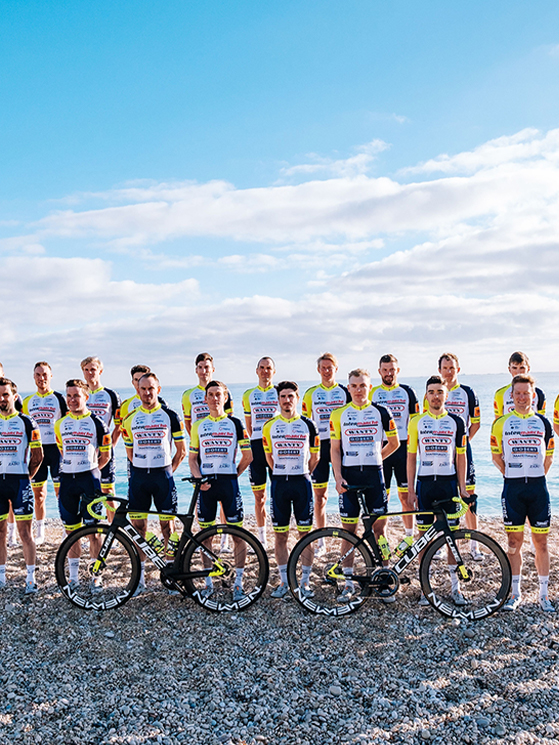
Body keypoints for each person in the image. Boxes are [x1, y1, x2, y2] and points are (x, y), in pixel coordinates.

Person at [330, 368, 399, 602]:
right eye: (354, 386)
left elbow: (395, 443)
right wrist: (338, 477)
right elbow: (335, 449)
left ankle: (385, 577)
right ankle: (348, 583)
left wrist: (377, 458)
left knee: (380, 530)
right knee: (348, 532)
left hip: (374, 477)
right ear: (348, 388)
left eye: (363, 385)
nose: (359, 390)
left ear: (370, 387)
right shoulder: (338, 414)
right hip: (349, 477)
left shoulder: (382, 412)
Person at [491, 374, 555, 612]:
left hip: (538, 488)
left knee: (541, 543)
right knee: (513, 542)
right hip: (513, 488)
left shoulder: (543, 423)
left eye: (525, 393)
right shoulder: (501, 423)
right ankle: (515, 594)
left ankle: (544, 595)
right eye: (517, 393)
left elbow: (549, 456)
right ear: (511, 395)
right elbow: (496, 456)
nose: (521, 397)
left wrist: (537, 475)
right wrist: (510, 474)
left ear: (533, 395)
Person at [407, 375, 469, 606]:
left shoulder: (457, 422)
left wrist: (463, 488)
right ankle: (426, 589)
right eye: (431, 392)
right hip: (425, 484)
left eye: (440, 392)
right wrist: (410, 489)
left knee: (452, 536)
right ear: (426, 395)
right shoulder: (416, 422)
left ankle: (455, 588)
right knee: (424, 537)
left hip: (448, 483)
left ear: (446, 395)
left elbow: (461, 457)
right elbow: (411, 457)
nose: (435, 396)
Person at [122, 372, 186, 593]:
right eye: (143, 389)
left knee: (168, 528)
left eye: (151, 388)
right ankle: (140, 578)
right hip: (139, 478)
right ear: (138, 390)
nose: (147, 393)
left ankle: (170, 575)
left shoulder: (171, 416)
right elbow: (130, 453)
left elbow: (181, 451)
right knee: (139, 528)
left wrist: (167, 472)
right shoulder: (129, 418)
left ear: (158, 390)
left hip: (163, 477)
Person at [188, 380, 252, 601]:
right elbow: (192, 459)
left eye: (219, 394)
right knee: (205, 536)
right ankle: (208, 583)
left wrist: (234, 475)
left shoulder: (235, 423)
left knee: (237, 534)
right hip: (205, 484)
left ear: (225, 398)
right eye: (211, 394)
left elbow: (248, 456)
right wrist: (199, 480)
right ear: (205, 399)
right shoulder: (198, 425)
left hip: (228, 483)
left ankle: (238, 583)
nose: (215, 398)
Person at [263, 381, 319, 598]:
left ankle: (304, 582)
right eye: (283, 397)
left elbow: (315, 457)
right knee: (280, 536)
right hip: (279, 483)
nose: (287, 400)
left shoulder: (309, 425)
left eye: (291, 396)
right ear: (278, 400)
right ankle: (284, 582)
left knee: (305, 534)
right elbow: (269, 457)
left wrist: (303, 472)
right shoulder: (269, 426)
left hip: (302, 482)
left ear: (297, 398)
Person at [55, 379, 112, 589]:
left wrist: (92, 469)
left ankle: (96, 576)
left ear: (86, 397)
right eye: (69, 396)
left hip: (90, 479)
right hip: (67, 480)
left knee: (94, 531)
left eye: (76, 396)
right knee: (71, 531)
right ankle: (73, 577)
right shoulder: (60, 424)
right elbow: (62, 450)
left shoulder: (98, 423)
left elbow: (106, 455)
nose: (72, 400)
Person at [437, 352, 482, 560]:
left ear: (458, 370)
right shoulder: (434, 392)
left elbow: (476, 423)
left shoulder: (468, 392)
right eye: (445, 368)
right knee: (442, 496)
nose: (448, 372)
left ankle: (474, 545)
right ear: (439, 370)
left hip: (463, 450)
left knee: (469, 495)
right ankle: (439, 544)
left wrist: (462, 446)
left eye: (452, 368)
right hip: (440, 451)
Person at [0, 377, 43, 593]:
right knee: (0, 532)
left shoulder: (27, 422)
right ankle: (1, 576)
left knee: (25, 532)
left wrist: (27, 476)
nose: (1, 399)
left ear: (14, 396)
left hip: (19, 481)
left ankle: (31, 578)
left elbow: (38, 455)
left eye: (5, 394)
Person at [302, 353, 350, 543]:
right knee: (320, 496)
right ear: (318, 369)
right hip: (320, 446)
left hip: (341, 446)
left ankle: (348, 535)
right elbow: (305, 422)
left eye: (330, 367)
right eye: (323, 367)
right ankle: (321, 539)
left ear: (336, 369)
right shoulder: (310, 393)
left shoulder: (345, 392)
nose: (327, 371)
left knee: (346, 490)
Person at [370, 354, 418, 540]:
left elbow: (415, 423)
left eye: (392, 369)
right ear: (379, 371)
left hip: (403, 448)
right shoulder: (373, 393)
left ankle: (409, 535)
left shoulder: (408, 392)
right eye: (385, 370)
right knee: (384, 497)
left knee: (405, 497)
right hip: (382, 447)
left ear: (397, 370)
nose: (388, 373)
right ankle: (381, 536)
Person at [21, 361, 67, 545]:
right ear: (33, 377)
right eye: (38, 375)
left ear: (51, 376)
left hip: (56, 450)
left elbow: (67, 424)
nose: (42, 378)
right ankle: (40, 531)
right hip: (37, 450)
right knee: (38, 495)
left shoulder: (60, 399)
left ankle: (66, 529)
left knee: (60, 493)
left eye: (45, 374)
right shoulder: (27, 402)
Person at [242, 357, 280, 550]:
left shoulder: (279, 392)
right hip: (257, 445)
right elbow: (249, 426)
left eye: (269, 368)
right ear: (257, 371)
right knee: (259, 497)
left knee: (277, 494)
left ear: (274, 371)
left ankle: (279, 534)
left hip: (277, 446)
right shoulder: (249, 395)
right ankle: (262, 537)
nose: (265, 371)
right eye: (262, 368)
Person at [80, 356, 121, 498]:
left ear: (100, 371)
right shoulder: (79, 395)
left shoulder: (111, 395)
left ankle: (112, 515)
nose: (89, 373)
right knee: (85, 490)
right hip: (84, 449)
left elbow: (118, 426)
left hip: (104, 447)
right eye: (86, 370)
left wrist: (110, 447)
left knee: (108, 491)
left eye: (93, 369)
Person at [182, 353, 233, 435]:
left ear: (213, 369)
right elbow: (188, 423)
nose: (203, 371)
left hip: (220, 436)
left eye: (206, 367)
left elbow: (230, 419)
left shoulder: (223, 392)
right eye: (200, 367)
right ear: (196, 370)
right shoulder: (188, 395)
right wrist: (195, 439)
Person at [115, 364, 167, 431]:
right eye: (136, 380)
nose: (138, 382)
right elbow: (123, 430)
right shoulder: (126, 405)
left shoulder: (161, 402)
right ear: (133, 382)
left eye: (141, 379)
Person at [494, 352, 546, 419]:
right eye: (514, 368)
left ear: (528, 369)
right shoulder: (500, 394)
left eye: (522, 368)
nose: (518, 372)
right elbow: (498, 420)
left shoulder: (539, 393)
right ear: (509, 369)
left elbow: (542, 420)